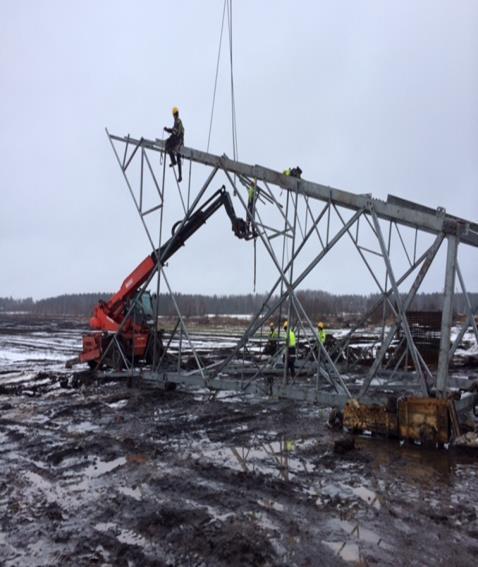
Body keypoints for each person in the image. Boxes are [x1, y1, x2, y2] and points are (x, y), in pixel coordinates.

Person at [164, 106, 184, 182]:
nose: (175, 115)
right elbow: (174, 131)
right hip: (179, 140)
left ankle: (174, 161)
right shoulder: (177, 121)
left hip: (178, 140)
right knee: (177, 155)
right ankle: (180, 176)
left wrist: (168, 130)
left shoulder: (178, 121)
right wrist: (168, 130)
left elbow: (175, 132)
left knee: (167, 145)